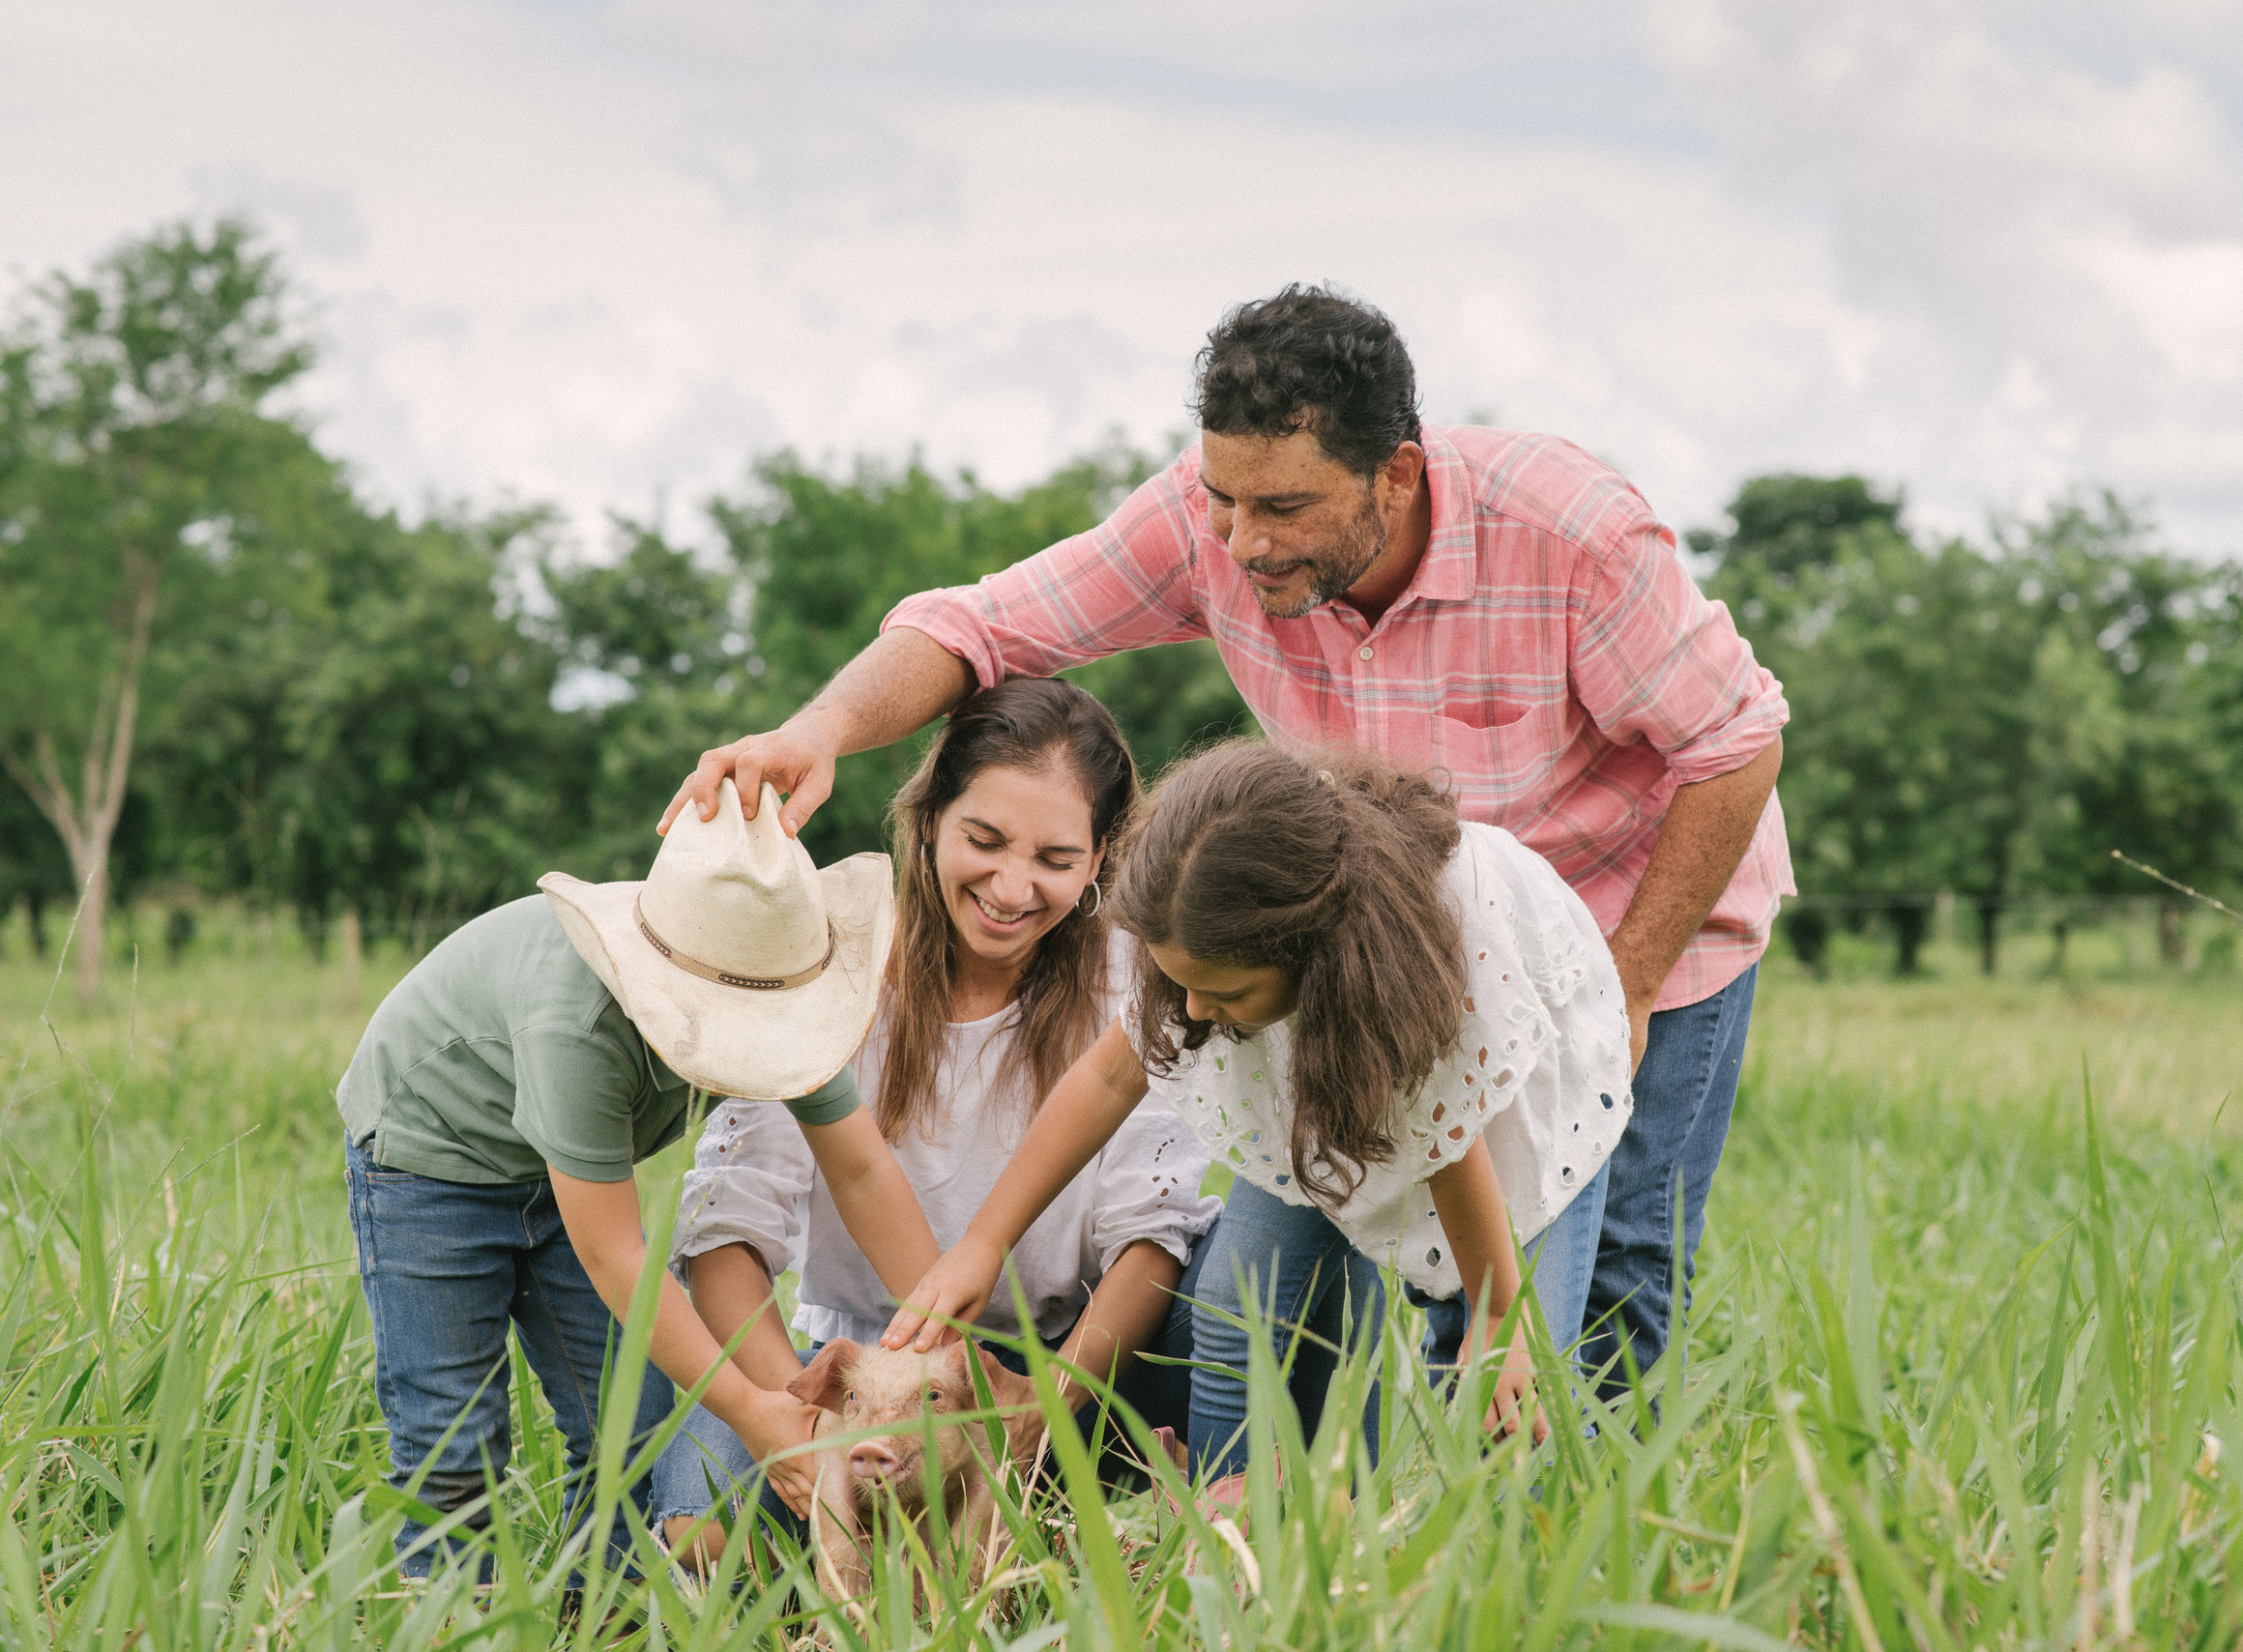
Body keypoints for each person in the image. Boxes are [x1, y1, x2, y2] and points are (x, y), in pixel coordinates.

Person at [665, 285, 1789, 1396]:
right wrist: (817, 731)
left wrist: (1627, 986)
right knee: (1269, 1294)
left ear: (1394, 474)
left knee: (1592, 1297)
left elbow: (1734, 746)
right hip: (1347, 945)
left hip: (1626, 926)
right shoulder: (1213, 528)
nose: (1242, 543)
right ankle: (1301, 1533)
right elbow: (980, 622)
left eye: (1285, 508)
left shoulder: (1572, 534)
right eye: (1223, 499)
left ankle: (1550, 1542)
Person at [884, 745, 1633, 1484]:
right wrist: (985, 1239)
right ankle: (1235, 1539)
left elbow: (1446, 1144)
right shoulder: (1199, 938)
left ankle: (1537, 1551)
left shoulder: (1388, 984)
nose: (1192, 1013)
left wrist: (1498, 1311)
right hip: (1342, 1074)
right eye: (1178, 985)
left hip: (1503, 1071)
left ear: (1311, 956)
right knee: (1235, 1301)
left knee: (1510, 1393)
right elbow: (1110, 1075)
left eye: (1226, 994)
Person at [651, 680, 1219, 1559]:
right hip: (857, 1375)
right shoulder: (825, 963)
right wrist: (801, 1416)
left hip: (1065, 1365)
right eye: (983, 840)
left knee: (1229, 1282)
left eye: (1056, 858)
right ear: (928, 821)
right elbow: (728, 1233)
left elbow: (1152, 1231)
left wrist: (1050, 1405)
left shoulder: (1136, 978)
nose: (1011, 885)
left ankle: (1212, 1508)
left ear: (1102, 857)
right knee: (700, 1539)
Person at [337, 780, 937, 1580]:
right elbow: (618, 1253)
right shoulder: (579, 1024)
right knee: (452, 1439)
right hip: (428, 1162)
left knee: (631, 1422)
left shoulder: (782, 994)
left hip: (566, 1172)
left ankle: (606, 1613)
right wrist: (753, 1410)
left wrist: (946, 1341)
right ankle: (451, 1618)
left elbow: (861, 1168)